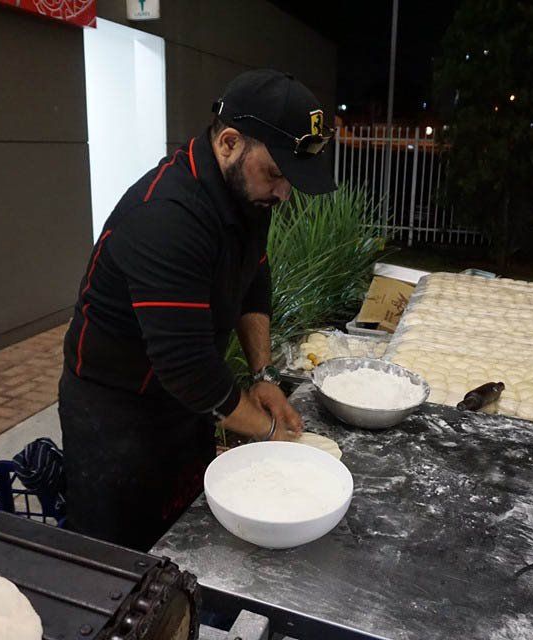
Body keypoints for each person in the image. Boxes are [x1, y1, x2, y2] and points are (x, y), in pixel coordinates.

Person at [58, 69, 336, 550]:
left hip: (182, 401)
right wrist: (270, 432)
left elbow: (254, 280)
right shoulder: (165, 218)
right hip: (115, 415)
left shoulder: (246, 195)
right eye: (275, 173)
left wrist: (262, 375)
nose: (283, 194)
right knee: (120, 568)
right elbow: (186, 367)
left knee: (187, 539)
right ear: (229, 142)